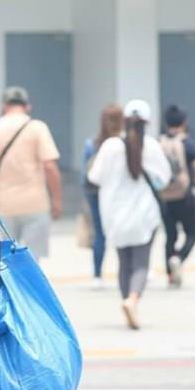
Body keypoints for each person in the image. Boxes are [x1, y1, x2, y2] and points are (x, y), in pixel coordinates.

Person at [88, 99, 170, 330]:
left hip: (115, 215)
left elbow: (94, 177)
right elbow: (164, 178)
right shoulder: (152, 147)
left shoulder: (110, 147)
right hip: (145, 215)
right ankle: (132, 299)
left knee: (124, 262)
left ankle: (126, 301)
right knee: (141, 263)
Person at [0, 86, 62, 261]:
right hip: (35, 202)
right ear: (27, 106)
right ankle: (28, 288)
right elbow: (50, 166)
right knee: (33, 259)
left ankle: (9, 289)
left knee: (6, 258)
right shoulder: (38, 128)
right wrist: (57, 200)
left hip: (5, 204)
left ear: (4, 106)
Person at [160, 104, 195, 287]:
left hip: (165, 197)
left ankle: (170, 276)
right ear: (184, 122)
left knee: (170, 236)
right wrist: (192, 183)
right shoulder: (188, 143)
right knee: (192, 234)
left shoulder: (160, 143)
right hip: (185, 196)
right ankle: (179, 258)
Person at [83, 104, 124, 287]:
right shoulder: (124, 143)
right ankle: (128, 269)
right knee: (123, 230)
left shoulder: (92, 144)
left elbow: (85, 174)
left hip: (95, 192)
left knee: (99, 233)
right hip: (119, 192)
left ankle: (97, 275)